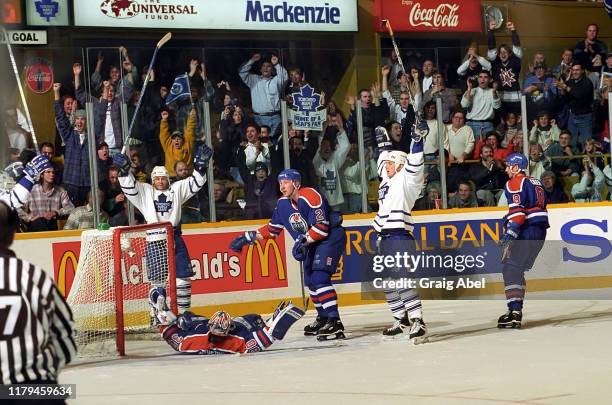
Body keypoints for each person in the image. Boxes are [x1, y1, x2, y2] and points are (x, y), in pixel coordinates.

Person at [230, 169, 347, 341]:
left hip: (330, 238)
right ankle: (323, 318)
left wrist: (302, 241)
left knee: (320, 277)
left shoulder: (311, 196)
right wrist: (248, 237)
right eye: (279, 183)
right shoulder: (283, 204)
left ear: (296, 184)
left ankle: (334, 321)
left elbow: (322, 228)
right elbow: (272, 230)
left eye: (285, 182)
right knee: (310, 281)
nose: (282, 186)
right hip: (310, 241)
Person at [0, 156, 76, 393]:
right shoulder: (33, 276)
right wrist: (42, 373)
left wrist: (27, 179)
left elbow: (11, 201)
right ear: (13, 232)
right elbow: (67, 339)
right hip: (36, 387)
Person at [112, 144, 213, 313]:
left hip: (175, 238)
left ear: (168, 179)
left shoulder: (177, 189)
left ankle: (183, 314)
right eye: (157, 179)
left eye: (163, 178)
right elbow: (129, 187)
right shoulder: (145, 192)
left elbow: (195, 183)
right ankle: (157, 315)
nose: (160, 181)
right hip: (155, 240)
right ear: (153, 180)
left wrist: (200, 166)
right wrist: (124, 171)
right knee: (158, 282)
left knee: (183, 279)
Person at [372, 125, 428, 342]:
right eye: (386, 164)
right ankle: (400, 318)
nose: (386, 167)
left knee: (402, 279)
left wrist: (417, 139)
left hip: (400, 236)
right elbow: (384, 158)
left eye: (390, 164)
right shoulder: (387, 179)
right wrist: (383, 146)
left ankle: (417, 320)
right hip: (384, 237)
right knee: (387, 281)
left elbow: (415, 161)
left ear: (400, 164)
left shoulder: (408, 181)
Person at [149, 289, 304, 354]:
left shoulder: (193, 339)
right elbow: (258, 342)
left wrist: (162, 317)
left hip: (199, 328)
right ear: (229, 329)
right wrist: (272, 325)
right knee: (252, 319)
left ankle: (162, 311)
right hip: (241, 326)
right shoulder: (234, 341)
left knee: (185, 319)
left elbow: (173, 338)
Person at [498, 153, 549, 329]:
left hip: (527, 230)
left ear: (516, 167)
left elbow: (519, 214)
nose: (506, 169)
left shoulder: (514, 182)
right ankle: (515, 310)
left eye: (508, 165)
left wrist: (510, 233)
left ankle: (515, 312)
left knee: (510, 268)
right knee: (516, 269)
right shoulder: (536, 181)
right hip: (540, 231)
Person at [239, 53, 288, 136]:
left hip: (275, 118)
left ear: (272, 69)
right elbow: (242, 72)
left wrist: (276, 64)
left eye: (268, 66)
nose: (265, 68)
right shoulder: (254, 80)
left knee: (274, 143)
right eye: (263, 66)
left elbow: (284, 77)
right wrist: (252, 60)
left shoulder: (276, 81)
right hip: (258, 119)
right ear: (260, 69)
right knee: (260, 144)